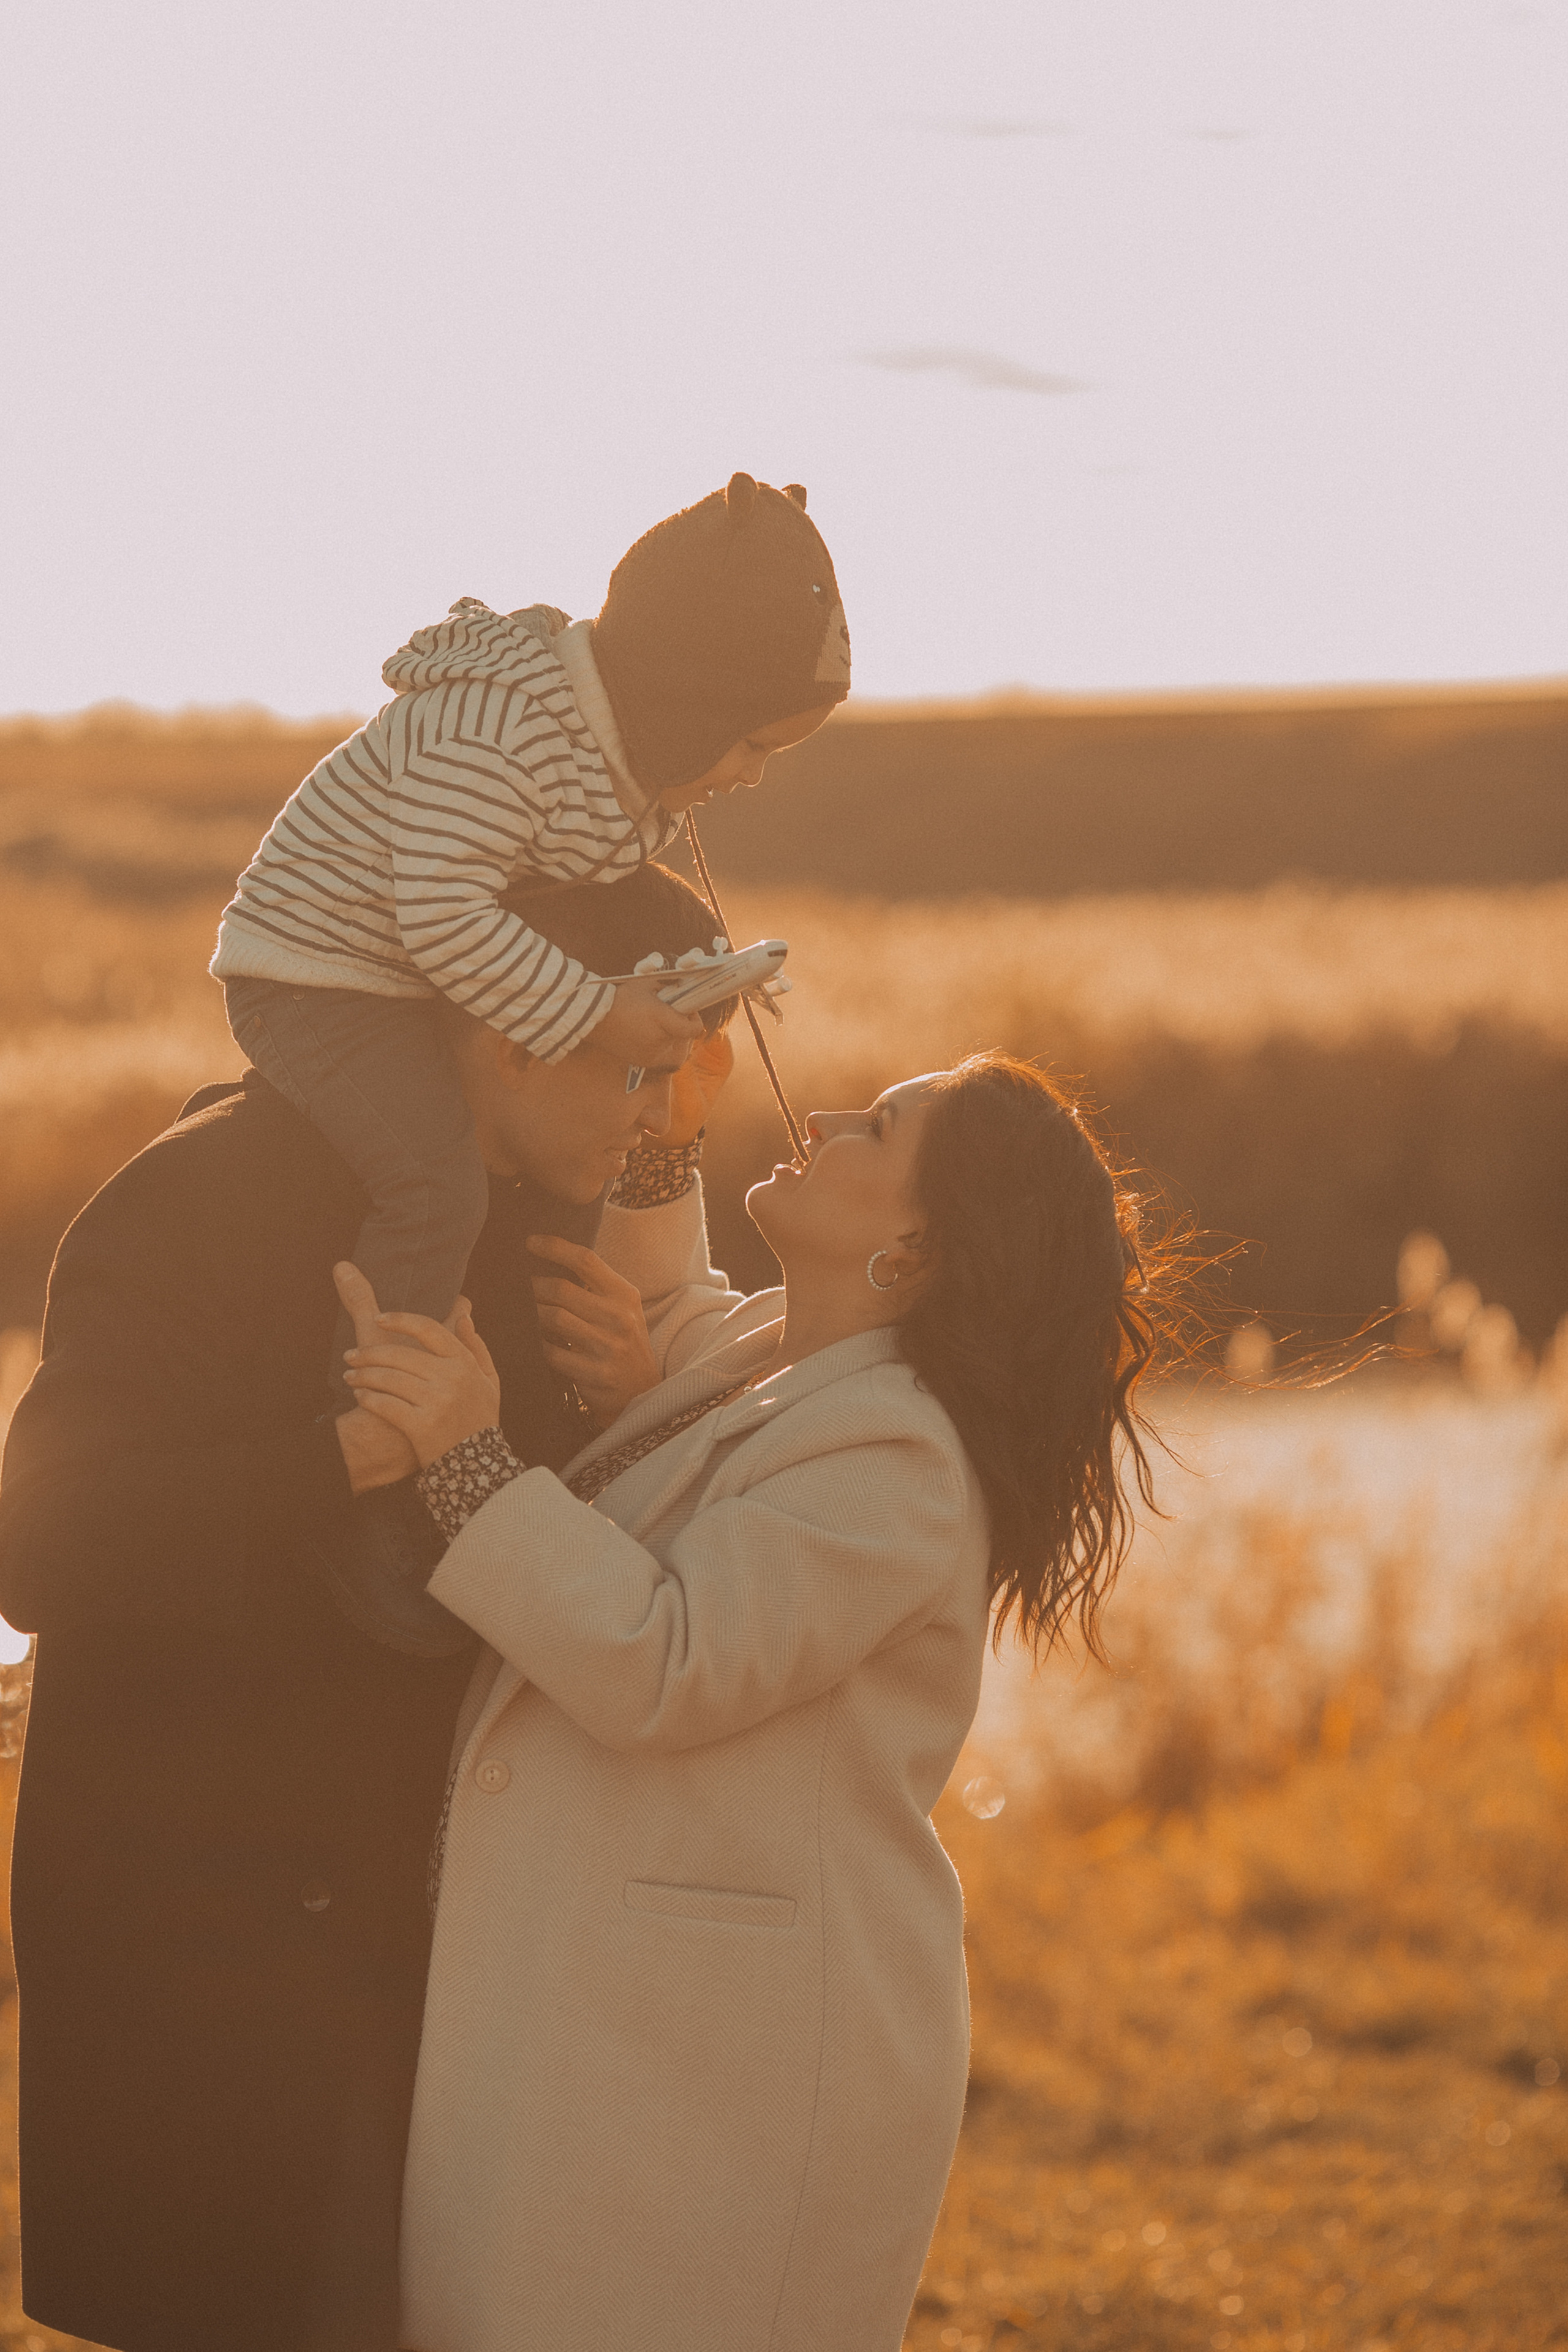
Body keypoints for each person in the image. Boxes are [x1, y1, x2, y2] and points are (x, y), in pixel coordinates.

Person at [0, 861, 744, 2352]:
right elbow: (41, 1546)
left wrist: (630, 1412)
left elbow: (545, 1597)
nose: (655, 1122)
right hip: (201, 1938)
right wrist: (354, 1447)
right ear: (512, 1034)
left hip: (420, 1951)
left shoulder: (542, 1240)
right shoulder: (202, 1193)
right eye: (638, 1071)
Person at [339, 1052, 1177, 2352]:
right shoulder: (774, 1362)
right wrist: (662, 1136)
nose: (829, 1114)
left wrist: (463, 1458)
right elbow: (669, 1300)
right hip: (639, 2022)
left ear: (912, 1241)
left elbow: (666, 1657)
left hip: (733, 2056)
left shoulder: (899, 1459)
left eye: (878, 1127)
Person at [212, 471, 849, 1417]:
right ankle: (378, 1422)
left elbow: (567, 910)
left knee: (539, 1173)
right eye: (751, 746)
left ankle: (532, 1406)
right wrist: (597, 1010)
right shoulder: (501, 736)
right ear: (691, 699)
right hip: (317, 975)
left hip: (403, 969)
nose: (752, 778)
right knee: (435, 1184)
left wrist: (693, 975)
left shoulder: (602, 752)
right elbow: (444, 916)